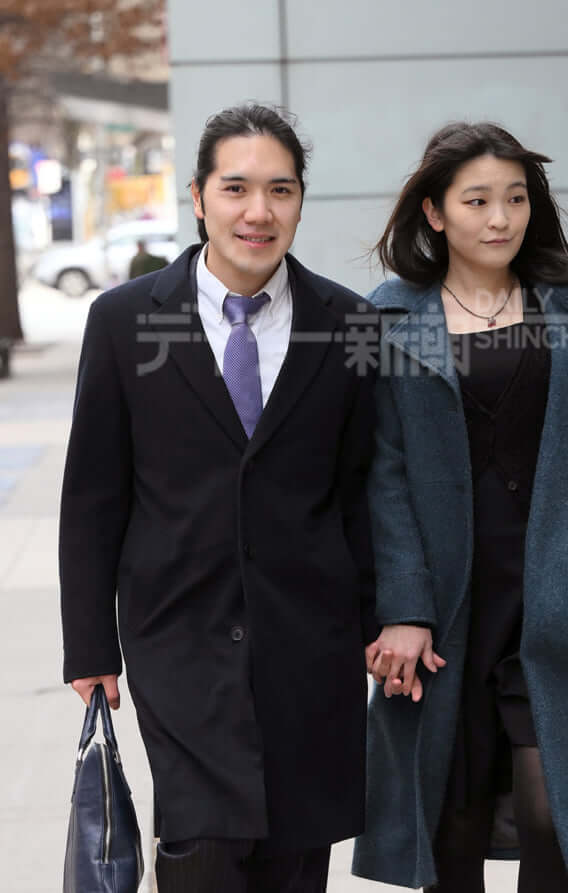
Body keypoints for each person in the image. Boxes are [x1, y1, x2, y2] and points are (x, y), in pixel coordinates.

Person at [60, 103, 379, 893]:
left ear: (300, 201)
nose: (258, 211)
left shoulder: (350, 324)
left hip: (309, 643)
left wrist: (383, 621)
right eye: (236, 188)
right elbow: (93, 493)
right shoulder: (124, 320)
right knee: (201, 847)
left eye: (280, 190)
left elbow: (363, 491)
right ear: (199, 197)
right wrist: (90, 646)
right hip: (178, 636)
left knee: (293, 859)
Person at [351, 122, 568, 892]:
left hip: (548, 598)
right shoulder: (385, 318)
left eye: (515, 198)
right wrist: (403, 604)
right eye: (477, 200)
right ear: (435, 212)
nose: (500, 218)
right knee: (452, 820)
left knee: (555, 818)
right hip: (445, 609)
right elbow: (379, 472)